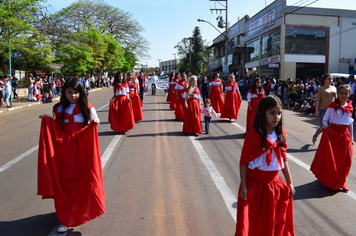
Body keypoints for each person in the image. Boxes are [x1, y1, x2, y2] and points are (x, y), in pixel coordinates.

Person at [37, 77, 105, 233]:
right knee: (64, 182)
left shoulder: (88, 108)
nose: (73, 96)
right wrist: (48, 120)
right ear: (64, 92)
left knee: (80, 181)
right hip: (63, 150)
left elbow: (95, 123)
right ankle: (66, 216)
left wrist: (94, 124)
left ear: (81, 92)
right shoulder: (59, 108)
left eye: (76, 92)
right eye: (69, 92)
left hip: (81, 150)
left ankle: (76, 212)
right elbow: (58, 126)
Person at [235, 95, 295, 236]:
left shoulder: (281, 134)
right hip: (255, 186)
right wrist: (243, 185)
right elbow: (243, 162)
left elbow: (284, 160)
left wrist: (290, 182)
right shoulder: (253, 135)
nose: (276, 117)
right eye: (272, 113)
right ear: (262, 113)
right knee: (253, 221)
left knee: (274, 220)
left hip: (275, 185)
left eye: (279, 113)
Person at [310, 84, 353, 191]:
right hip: (333, 136)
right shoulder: (332, 106)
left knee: (346, 160)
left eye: (346, 93)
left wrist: (352, 138)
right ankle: (331, 180)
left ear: (349, 94)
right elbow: (325, 119)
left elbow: (350, 123)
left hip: (345, 136)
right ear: (337, 94)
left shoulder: (350, 106)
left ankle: (342, 181)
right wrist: (325, 124)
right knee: (333, 160)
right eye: (341, 93)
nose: (344, 95)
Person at [312, 74, 337, 144]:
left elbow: (336, 99)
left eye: (331, 79)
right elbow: (318, 100)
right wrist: (316, 111)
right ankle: (316, 135)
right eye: (328, 79)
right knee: (323, 126)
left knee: (330, 127)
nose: (330, 81)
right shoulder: (321, 88)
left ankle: (328, 142)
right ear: (324, 80)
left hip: (332, 110)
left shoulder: (334, 88)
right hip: (323, 110)